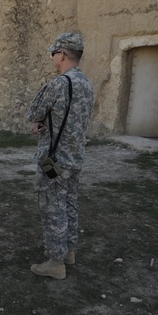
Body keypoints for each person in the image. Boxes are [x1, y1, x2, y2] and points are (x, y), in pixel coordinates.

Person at [26, 32, 95, 280]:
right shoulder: (87, 84)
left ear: (62, 55)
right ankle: (68, 251)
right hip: (75, 157)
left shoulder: (59, 84)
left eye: (53, 54)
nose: (52, 58)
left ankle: (55, 262)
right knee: (69, 203)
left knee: (52, 206)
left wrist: (38, 122)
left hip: (53, 160)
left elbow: (34, 111)